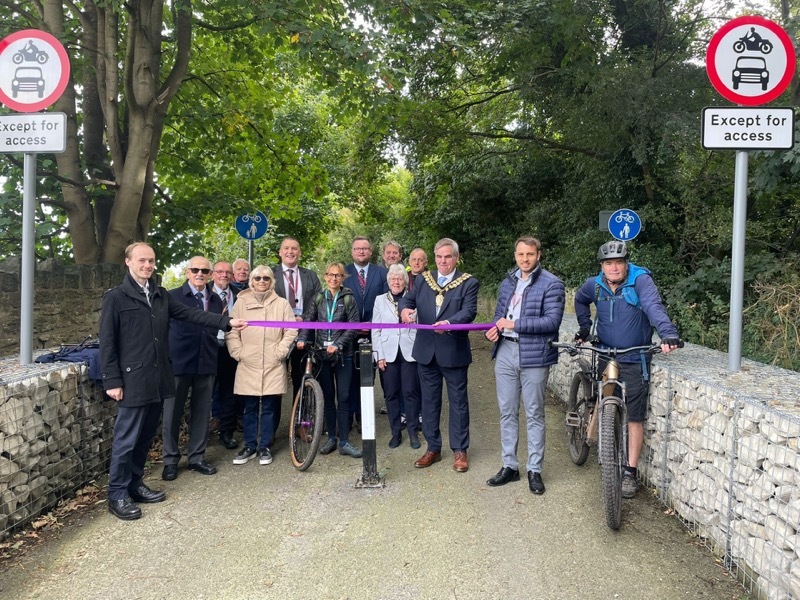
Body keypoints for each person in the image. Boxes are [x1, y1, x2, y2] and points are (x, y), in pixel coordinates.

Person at [99, 243, 246, 520]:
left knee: (143, 438)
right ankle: (117, 494)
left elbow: (191, 314)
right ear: (128, 262)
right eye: (142, 260)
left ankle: (134, 483)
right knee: (126, 439)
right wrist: (112, 380)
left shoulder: (160, 295)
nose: (147, 265)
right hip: (132, 380)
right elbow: (107, 342)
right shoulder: (116, 298)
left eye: (151, 260)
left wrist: (226, 323)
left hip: (159, 378)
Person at [574, 240, 680, 499]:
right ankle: (597, 432)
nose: (614, 267)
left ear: (626, 263)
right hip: (605, 352)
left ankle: (629, 472)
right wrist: (585, 328)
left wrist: (667, 334)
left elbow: (653, 306)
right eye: (609, 263)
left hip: (635, 356)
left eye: (618, 262)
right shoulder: (595, 285)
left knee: (634, 415)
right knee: (603, 397)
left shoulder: (640, 280)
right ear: (602, 266)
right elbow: (579, 299)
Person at [484, 237, 565, 494]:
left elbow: (551, 322)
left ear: (538, 254)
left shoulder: (552, 283)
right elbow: (499, 315)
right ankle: (510, 466)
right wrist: (494, 330)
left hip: (535, 354)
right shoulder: (508, 282)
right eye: (520, 254)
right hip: (506, 350)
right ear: (515, 255)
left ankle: (535, 470)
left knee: (534, 413)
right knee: (507, 411)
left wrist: (515, 325)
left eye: (529, 254)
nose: (524, 259)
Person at [400, 238, 479, 472]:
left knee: (458, 403)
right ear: (434, 258)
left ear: (456, 257)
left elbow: (469, 312)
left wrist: (450, 322)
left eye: (448, 256)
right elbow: (407, 299)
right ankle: (433, 448)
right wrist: (404, 309)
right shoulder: (425, 280)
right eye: (439, 257)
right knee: (429, 402)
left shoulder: (468, 282)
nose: (443, 261)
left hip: (453, 351)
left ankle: (460, 450)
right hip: (426, 352)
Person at [161, 256, 225, 481]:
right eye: (195, 270)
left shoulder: (216, 300)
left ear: (210, 275)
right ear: (187, 272)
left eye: (205, 271)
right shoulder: (171, 297)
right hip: (178, 363)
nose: (200, 274)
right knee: (172, 413)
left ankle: (197, 457)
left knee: (201, 412)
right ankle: (170, 460)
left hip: (206, 362)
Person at [226, 266, 297, 466]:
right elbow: (231, 330)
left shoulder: (282, 304)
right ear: (252, 281)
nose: (262, 281)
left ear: (272, 281)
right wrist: (238, 352)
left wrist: (280, 352)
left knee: (269, 407)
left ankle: (265, 445)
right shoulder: (241, 303)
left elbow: (291, 330)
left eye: (266, 278)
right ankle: (249, 445)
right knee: (248, 407)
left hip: (273, 363)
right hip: (248, 361)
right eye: (257, 278)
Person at [298, 262, 362, 458]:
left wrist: (340, 344)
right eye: (330, 275)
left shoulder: (349, 298)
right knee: (327, 397)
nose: (333, 278)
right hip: (322, 355)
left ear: (343, 278)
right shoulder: (318, 298)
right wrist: (302, 338)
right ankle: (331, 438)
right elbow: (309, 320)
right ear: (325, 276)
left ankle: (344, 441)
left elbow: (354, 326)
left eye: (338, 275)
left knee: (343, 397)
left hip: (344, 355)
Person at [271, 236, 322, 433]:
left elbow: (318, 302)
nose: (290, 251)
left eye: (294, 248)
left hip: (305, 334)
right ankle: (271, 431)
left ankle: (301, 426)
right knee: (274, 382)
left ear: (300, 252)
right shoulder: (271, 275)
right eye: (286, 248)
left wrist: (305, 319)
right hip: (278, 335)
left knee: (303, 380)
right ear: (280, 252)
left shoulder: (310, 276)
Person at [372, 264, 421, 449]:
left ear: (405, 281)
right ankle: (395, 432)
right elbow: (375, 329)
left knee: (410, 393)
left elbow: (419, 326)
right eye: (393, 279)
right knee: (391, 394)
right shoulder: (379, 300)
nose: (396, 282)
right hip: (388, 353)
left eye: (400, 279)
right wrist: (379, 356)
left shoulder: (412, 299)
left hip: (409, 353)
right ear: (388, 281)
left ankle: (413, 432)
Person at [343, 236, 388, 428]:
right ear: (352, 251)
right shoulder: (343, 272)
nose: (361, 252)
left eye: (365, 248)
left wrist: (371, 323)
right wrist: (352, 324)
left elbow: (386, 301)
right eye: (357, 249)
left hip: (374, 332)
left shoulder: (381, 273)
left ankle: (363, 417)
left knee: (368, 377)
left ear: (371, 251)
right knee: (349, 377)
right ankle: (348, 415)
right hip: (348, 333)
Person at [210, 261, 241, 450]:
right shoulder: (204, 293)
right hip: (209, 347)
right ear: (213, 274)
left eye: (228, 272)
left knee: (230, 391)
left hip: (231, 346)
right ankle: (201, 434)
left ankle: (226, 432)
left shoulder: (239, 295)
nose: (224, 275)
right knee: (206, 391)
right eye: (220, 272)